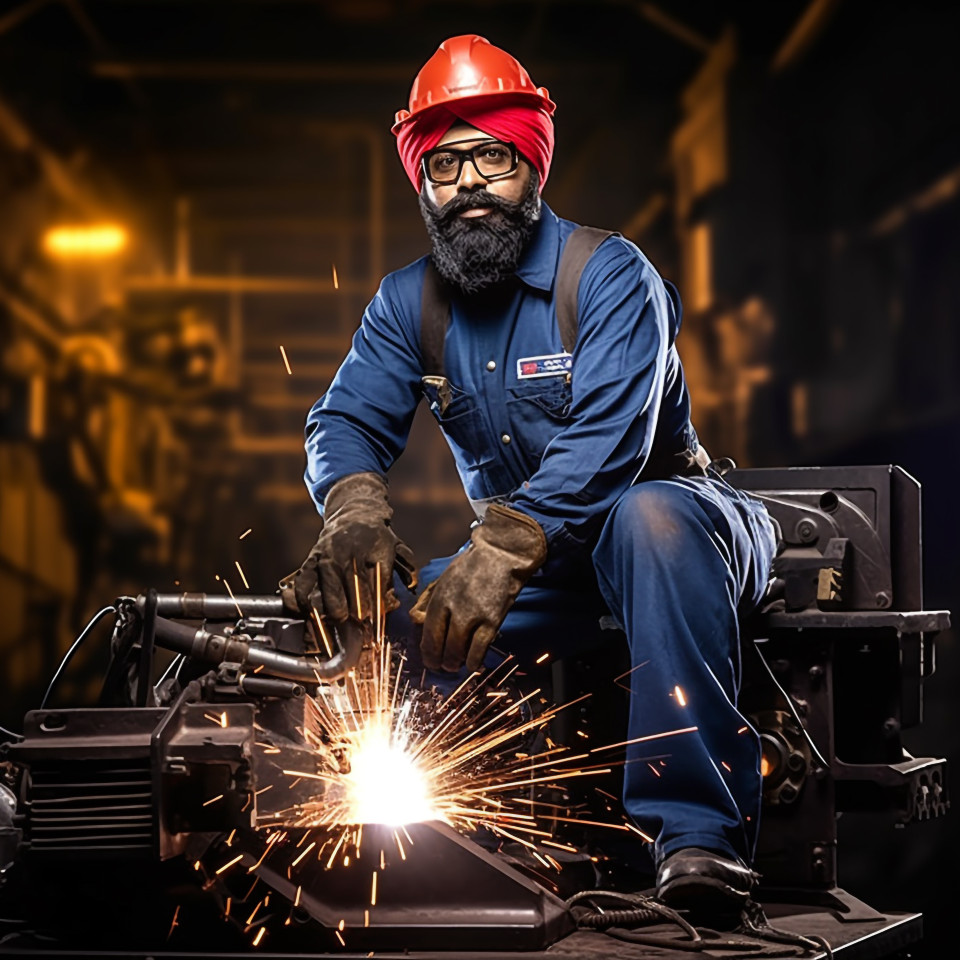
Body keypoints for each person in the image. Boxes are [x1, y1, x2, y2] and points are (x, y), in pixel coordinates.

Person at [286, 34, 778, 916]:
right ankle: (461, 839)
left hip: (682, 531)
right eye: (445, 164)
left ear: (532, 166)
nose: (469, 181)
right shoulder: (409, 303)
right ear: (424, 184)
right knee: (396, 608)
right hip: (546, 568)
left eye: (493, 156)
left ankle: (698, 839)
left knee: (647, 521)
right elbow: (345, 420)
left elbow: (606, 442)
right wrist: (352, 506)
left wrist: (503, 545)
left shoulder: (611, 274)